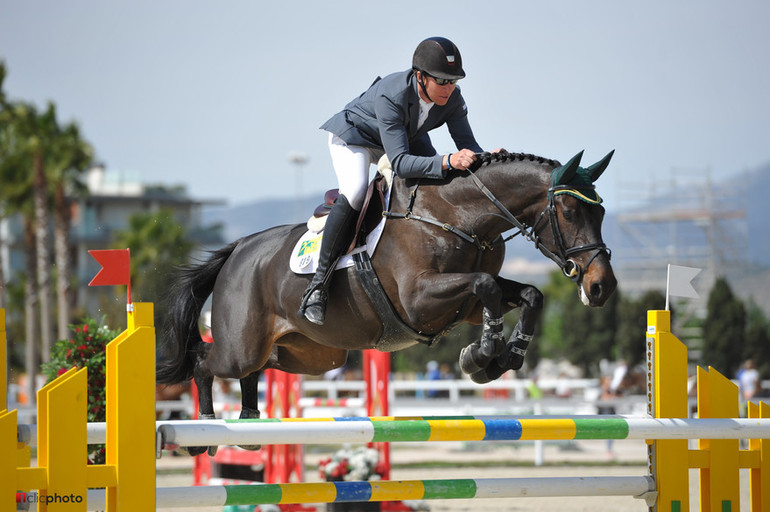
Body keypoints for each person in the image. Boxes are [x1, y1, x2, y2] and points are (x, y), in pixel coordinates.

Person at [298, 36, 486, 325]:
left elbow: (468, 145)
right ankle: (317, 287)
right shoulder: (392, 94)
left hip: (401, 134)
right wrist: (448, 160)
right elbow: (400, 163)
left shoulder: (453, 99)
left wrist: (490, 159)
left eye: (453, 81)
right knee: (357, 190)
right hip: (355, 137)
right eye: (442, 81)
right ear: (420, 77)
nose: (449, 88)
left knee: (435, 181)